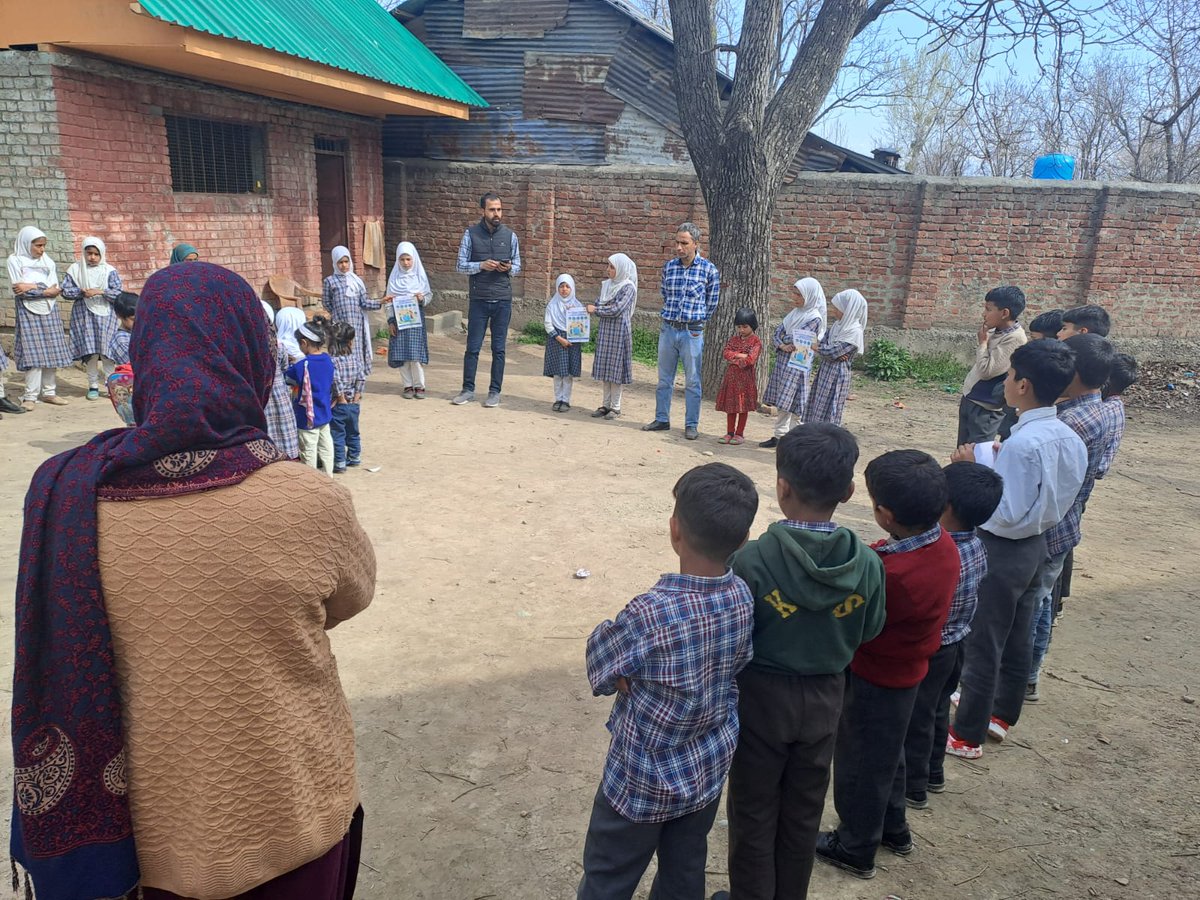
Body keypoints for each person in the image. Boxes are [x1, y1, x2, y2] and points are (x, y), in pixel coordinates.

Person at [10, 261, 374, 900]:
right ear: (251, 357)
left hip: (145, 846)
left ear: (147, 354)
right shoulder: (309, 501)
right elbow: (350, 597)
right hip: (292, 818)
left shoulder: (72, 495)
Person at [578, 463, 757, 900]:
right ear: (742, 540)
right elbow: (738, 662)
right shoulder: (742, 596)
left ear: (675, 529)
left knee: (609, 875)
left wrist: (627, 675)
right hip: (705, 769)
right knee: (685, 870)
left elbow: (600, 664)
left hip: (639, 781)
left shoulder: (650, 613)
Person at [722, 424, 886, 900]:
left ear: (782, 487)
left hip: (760, 700)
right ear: (850, 491)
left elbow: (736, 635)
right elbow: (871, 628)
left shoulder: (750, 560)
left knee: (753, 809)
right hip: (827, 697)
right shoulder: (870, 564)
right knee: (804, 810)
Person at [817, 450, 959, 880]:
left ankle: (856, 846)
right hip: (911, 672)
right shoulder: (945, 544)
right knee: (888, 755)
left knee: (860, 762)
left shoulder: (889, 573)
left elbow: (854, 623)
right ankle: (893, 827)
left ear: (883, 513)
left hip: (876, 676)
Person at [947, 339, 1087, 760]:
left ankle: (967, 733)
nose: (1006, 382)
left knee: (983, 639)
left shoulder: (1025, 443)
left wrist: (972, 470)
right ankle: (1002, 714)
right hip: (1039, 543)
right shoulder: (1066, 435)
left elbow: (1005, 513)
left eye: (1009, 376)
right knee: (1019, 628)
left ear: (1022, 385)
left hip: (1004, 548)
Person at [902, 462, 1003, 810]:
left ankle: (914, 786)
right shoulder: (976, 546)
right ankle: (933, 772)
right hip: (957, 643)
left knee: (917, 717)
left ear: (944, 506)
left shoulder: (944, 553)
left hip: (933, 647)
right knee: (937, 709)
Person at [1026, 334, 1115, 702]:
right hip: (1067, 521)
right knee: (1044, 598)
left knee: (1029, 604)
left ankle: (1015, 678)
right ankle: (1030, 675)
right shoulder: (1103, 409)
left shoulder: (1069, 423)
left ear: (1073, 371)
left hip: (1048, 525)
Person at [642, 223, 720, 440]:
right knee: (664, 379)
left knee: (693, 381)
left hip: (692, 333)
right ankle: (662, 419)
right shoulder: (669, 267)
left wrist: (695, 321)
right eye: (677, 242)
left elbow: (711, 303)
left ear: (696, 244)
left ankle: (691, 424)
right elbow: (665, 294)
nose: (679, 247)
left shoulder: (708, 270)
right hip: (669, 329)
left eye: (684, 243)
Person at [452, 192, 522, 408]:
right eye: (492, 209)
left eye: (499, 209)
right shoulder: (470, 234)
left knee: (499, 349)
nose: (496, 213)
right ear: (482, 211)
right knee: (473, 347)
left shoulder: (510, 236)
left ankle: (494, 392)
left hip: (502, 299)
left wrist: (508, 268)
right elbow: (460, 265)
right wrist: (480, 265)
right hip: (479, 300)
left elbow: (518, 267)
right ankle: (468, 390)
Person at [8, 225, 71, 408]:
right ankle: (30, 396)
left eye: (43, 246)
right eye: (38, 246)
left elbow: (55, 289)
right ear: (26, 244)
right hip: (28, 311)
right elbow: (19, 291)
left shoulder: (48, 261)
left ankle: (49, 392)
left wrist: (31, 286)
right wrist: (40, 289)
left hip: (49, 310)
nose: (41, 250)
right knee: (33, 354)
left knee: (52, 351)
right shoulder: (15, 260)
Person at [760, 277, 826, 448]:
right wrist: (781, 344)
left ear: (810, 296)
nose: (794, 297)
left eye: (799, 295)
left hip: (798, 364)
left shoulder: (814, 318)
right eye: (794, 293)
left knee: (796, 402)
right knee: (782, 401)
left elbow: (799, 337)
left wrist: (786, 339)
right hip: (784, 360)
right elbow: (778, 333)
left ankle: (797, 439)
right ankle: (779, 436)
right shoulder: (794, 314)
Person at [957, 286, 1028, 446]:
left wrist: (982, 343)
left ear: (1004, 313)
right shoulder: (996, 332)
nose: (984, 314)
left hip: (986, 408)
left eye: (988, 309)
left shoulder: (1015, 339)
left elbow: (986, 371)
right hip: (971, 399)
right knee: (963, 450)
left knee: (978, 455)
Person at [62, 235, 122, 400]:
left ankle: (111, 386)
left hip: (106, 316)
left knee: (108, 353)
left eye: (96, 254)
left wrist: (100, 291)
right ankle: (93, 386)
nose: (92, 257)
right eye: (89, 253)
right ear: (84, 253)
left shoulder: (109, 271)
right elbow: (65, 291)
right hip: (84, 316)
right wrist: (82, 292)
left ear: (102, 254)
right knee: (91, 354)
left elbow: (118, 293)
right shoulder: (75, 270)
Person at [587, 253, 637, 421]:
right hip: (605, 331)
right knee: (606, 368)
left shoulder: (628, 287)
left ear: (621, 269)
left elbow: (617, 309)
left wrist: (598, 310)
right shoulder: (607, 286)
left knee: (615, 370)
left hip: (619, 332)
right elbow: (599, 302)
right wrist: (598, 308)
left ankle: (615, 407)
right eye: (608, 266)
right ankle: (605, 404)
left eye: (612, 267)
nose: (608, 269)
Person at [808, 289, 867, 426]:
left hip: (837, 375)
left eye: (837, 308)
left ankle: (828, 439)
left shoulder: (854, 331)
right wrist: (824, 349)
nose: (834, 311)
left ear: (849, 309)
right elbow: (825, 344)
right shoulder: (837, 325)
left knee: (831, 408)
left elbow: (833, 351)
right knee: (818, 405)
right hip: (825, 370)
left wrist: (820, 348)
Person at [322, 246, 380, 383]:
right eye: (340, 262)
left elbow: (364, 303)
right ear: (335, 263)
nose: (344, 265)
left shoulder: (357, 281)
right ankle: (342, 380)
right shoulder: (330, 281)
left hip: (356, 324)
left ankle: (358, 380)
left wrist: (380, 302)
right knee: (340, 350)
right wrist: (336, 314)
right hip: (339, 325)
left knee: (357, 350)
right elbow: (326, 302)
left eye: (346, 262)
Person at [286, 318, 336, 476]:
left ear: (304, 342)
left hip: (307, 416)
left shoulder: (303, 365)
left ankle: (311, 480)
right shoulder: (328, 359)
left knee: (308, 451)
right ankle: (329, 476)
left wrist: (290, 365)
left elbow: (287, 378)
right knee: (326, 446)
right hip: (324, 412)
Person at [384, 240, 433, 399]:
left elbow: (428, 296)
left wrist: (421, 298)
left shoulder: (420, 277)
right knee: (402, 355)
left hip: (415, 321)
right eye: (402, 259)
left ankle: (419, 386)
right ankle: (407, 386)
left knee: (415, 355)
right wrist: (390, 320)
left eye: (408, 259)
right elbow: (389, 301)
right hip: (399, 321)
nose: (405, 263)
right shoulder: (394, 279)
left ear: (414, 259)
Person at [715, 307, 762, 445]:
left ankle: (739, 433)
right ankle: (729, 432)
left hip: (745, 378)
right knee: (731, 405)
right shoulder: (734, 339)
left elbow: (751, 360)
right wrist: (740, 355)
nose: (741, 330)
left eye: (745, 327)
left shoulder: (756, 342)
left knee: (742, 407)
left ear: (752, 326)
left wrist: (735, 357)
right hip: (732, 377)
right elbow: (726, 353)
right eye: (739, 327)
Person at [261, 301, 300, 461]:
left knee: (267, 430)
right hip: (280, 394)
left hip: (260, 397)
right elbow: (284, 367)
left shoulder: (248, 345)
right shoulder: (279, 345)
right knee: (284, 430)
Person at [543, 273, 583, 412]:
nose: (564, 289)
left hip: (572, 342)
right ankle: (558, 398)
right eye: (561, 286)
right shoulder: (552, 305)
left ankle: (566, 400)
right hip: (556, 340)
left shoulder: (577, 306)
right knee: (557, 373)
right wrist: (559, 338)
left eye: (567, 286)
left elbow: (581, 325)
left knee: (567, 374)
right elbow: (548, 324)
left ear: (572, 288)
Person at [329, 320, 365, 473]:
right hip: (354, 403)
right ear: (350, 342)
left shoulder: (333, 361)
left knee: (337, 434)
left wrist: (340, 397)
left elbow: (336, 380)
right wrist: (356, 397)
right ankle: (355, 456)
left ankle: (339, 462)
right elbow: (361, 377)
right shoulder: (355, 359)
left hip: (339, 404)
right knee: (353, 432)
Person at [108, 291, 138, 366]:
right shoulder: (121, 341)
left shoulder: (140, 332)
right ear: (119, 316)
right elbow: (140, 367)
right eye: (133, 319)